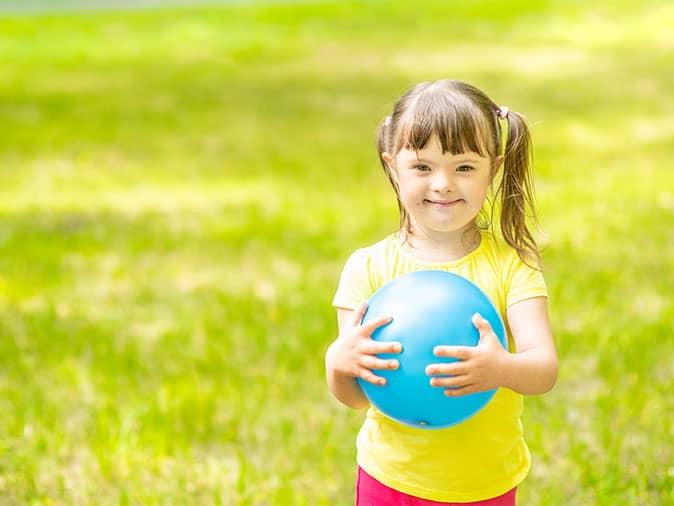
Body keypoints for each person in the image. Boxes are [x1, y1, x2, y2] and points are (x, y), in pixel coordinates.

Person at [325, 79, 559, 505]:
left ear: (494, 168)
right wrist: (338, 362)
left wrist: (501, 368)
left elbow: (543, 369)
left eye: (464, 167)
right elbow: (357, 397)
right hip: (389, 476)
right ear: (393, 166)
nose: (443, 184)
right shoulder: (368, 268)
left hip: (483, 482)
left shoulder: (512, 266)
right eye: (422, 167)